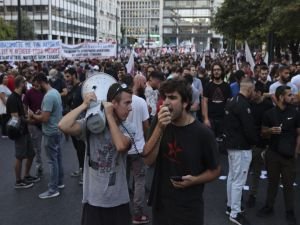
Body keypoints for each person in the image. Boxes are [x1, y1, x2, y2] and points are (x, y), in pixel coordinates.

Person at [143, 78, 220, 225]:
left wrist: (195, 180)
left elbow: (215, 170)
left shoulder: (203, 133)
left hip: (188, 209)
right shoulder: (159, 122)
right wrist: (159, 128)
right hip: (161, 206)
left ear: (185, 103)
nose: (165, 102)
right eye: (164, 97)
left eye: (172, 97)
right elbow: (147, 159)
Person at [58, 82, 134, 225]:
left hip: (118, 200)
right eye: (127, 103)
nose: (130, 108)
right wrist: (84, 105)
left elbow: (120, 145)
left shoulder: (128, 127)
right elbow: (63, 125)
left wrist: (109, 116)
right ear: (113, 104)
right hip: (93, 200)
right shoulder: (93, 126)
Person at [257, 86, 300, 225]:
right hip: (273, 154)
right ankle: (269, 207)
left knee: (288, 185)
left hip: (289, 156)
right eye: (289, 95)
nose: (292, 97)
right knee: (272, 183)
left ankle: (290, 211)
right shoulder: (269, 113)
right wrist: (270, 130)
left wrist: (296, 152)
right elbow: (262, 132)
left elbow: (299, 133)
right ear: (281, 97)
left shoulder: (295, 113)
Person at [224, 78, 258, 225]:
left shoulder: (232, 101)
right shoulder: (244, 105)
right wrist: (256, 142)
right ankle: (235, 213)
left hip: (232, 145)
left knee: (232, 177)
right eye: (253, 90)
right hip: (241, 147)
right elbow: (249, 129)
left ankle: (230, 206)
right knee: (238, 180)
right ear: (249, 89)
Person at [28, 73, 64, 199]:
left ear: (41, 82)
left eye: (36, 85)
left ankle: (53, 189)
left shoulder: (48, 96)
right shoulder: (55, 92)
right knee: (57, 158)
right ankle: (59, 182)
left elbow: (44, 118)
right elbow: (50, 112)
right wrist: (41, 112)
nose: (35, 88)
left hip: (50, 131)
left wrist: (33, 115)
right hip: (57, 129)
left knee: (52, 160)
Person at [122, 76, 150, 224]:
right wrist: (147, 141)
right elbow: (146, 125)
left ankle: (122, 211)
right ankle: (137, 214)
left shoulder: (119, 100)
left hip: (122, 147)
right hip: (138, 147)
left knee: (123, 180)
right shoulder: (140, 101)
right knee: (139, 180)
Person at [6, 76, 40, 188]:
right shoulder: (12, 99)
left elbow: (21, 116)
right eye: (25, 84)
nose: (26, 86)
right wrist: (30, 120)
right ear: (21, 84)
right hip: (19, 132)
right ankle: (18, 181)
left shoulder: (19, 97)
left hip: (24, 130)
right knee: (19, 156)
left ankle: (26, 176)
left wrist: (28, 118)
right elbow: (16, 119)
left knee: (31, 154)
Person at [246, 84, 273, 208]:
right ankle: (236, 194)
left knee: (256, 171)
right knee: (243, 171)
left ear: (259, 93)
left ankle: (253, 195)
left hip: (260, 143)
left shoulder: (267, 106)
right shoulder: (249, 103)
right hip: (247, 142)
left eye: (254, 92)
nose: (251, 94)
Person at [64, 67, 86, 184]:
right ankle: (81, 169)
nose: (66, 79)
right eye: (65, 77)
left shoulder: (82, 88)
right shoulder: (72, 89)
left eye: (68, 76)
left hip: (80, 124)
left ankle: (84, 174)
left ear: (74, 75)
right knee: (77, 149)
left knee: (82, 149)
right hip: (72, 123)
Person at [202, 62, 231, 139]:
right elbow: (204, 102)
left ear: (222, 71)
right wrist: (206, 119)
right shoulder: (208, 86)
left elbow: (229, 103)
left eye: (218, 69)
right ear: (212, 72)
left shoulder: (227, 86)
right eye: (214, 70)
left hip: (223, 119)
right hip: (211, 119)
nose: (216, 72)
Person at [23, 76, 45, 177]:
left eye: (38, 83)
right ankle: (39, 165)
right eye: (34, 84)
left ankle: (47, 163)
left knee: (48, 145)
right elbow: (25, 107)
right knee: (37, 147)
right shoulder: (29, 93)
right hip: (34, 123)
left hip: (45, 121)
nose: (36, 85)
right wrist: (28, 116)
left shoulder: (44, 91)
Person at [0, 74, 12, 138]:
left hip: (7, 105)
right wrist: (8, 106)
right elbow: (2, 97)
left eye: (7, 78)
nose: (6, 79)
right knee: (5, 119)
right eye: (4, 78)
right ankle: (4, 133)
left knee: (6, 119)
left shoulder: (5, 86)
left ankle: (5, 132)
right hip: (4, 105)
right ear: (1, 79)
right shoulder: (1, 87)